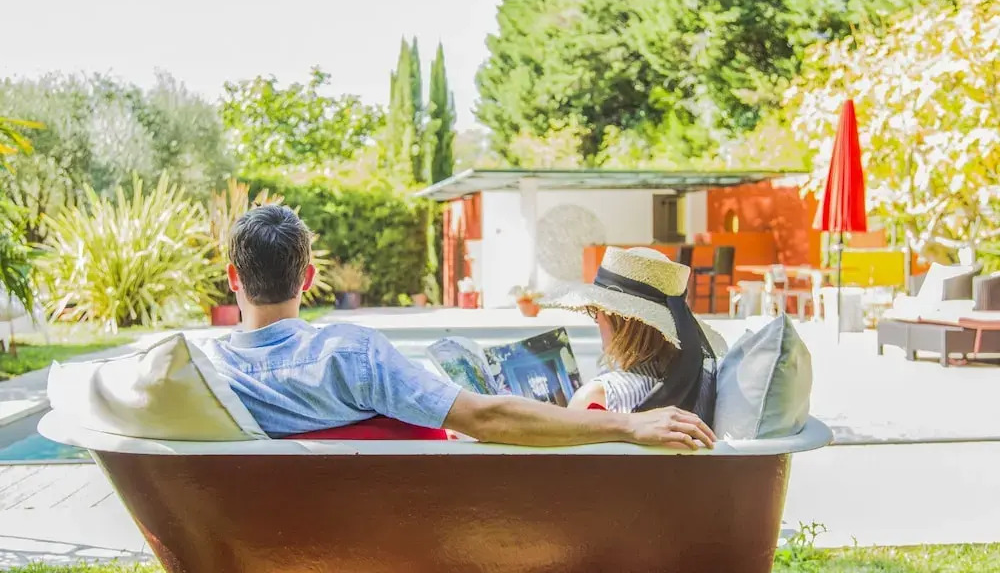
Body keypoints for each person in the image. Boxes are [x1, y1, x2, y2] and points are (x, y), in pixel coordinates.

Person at [203, 205, 714, 450]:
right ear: (309, 278)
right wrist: (627, 425)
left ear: (233, 278)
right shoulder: (352, 355)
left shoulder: (210, 377)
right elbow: (485, 418)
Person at [541, 247, 726, 421]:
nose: (595, 318)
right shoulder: (695, 385)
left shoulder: (598, 396)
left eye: (598, 309)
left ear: (622, 320)